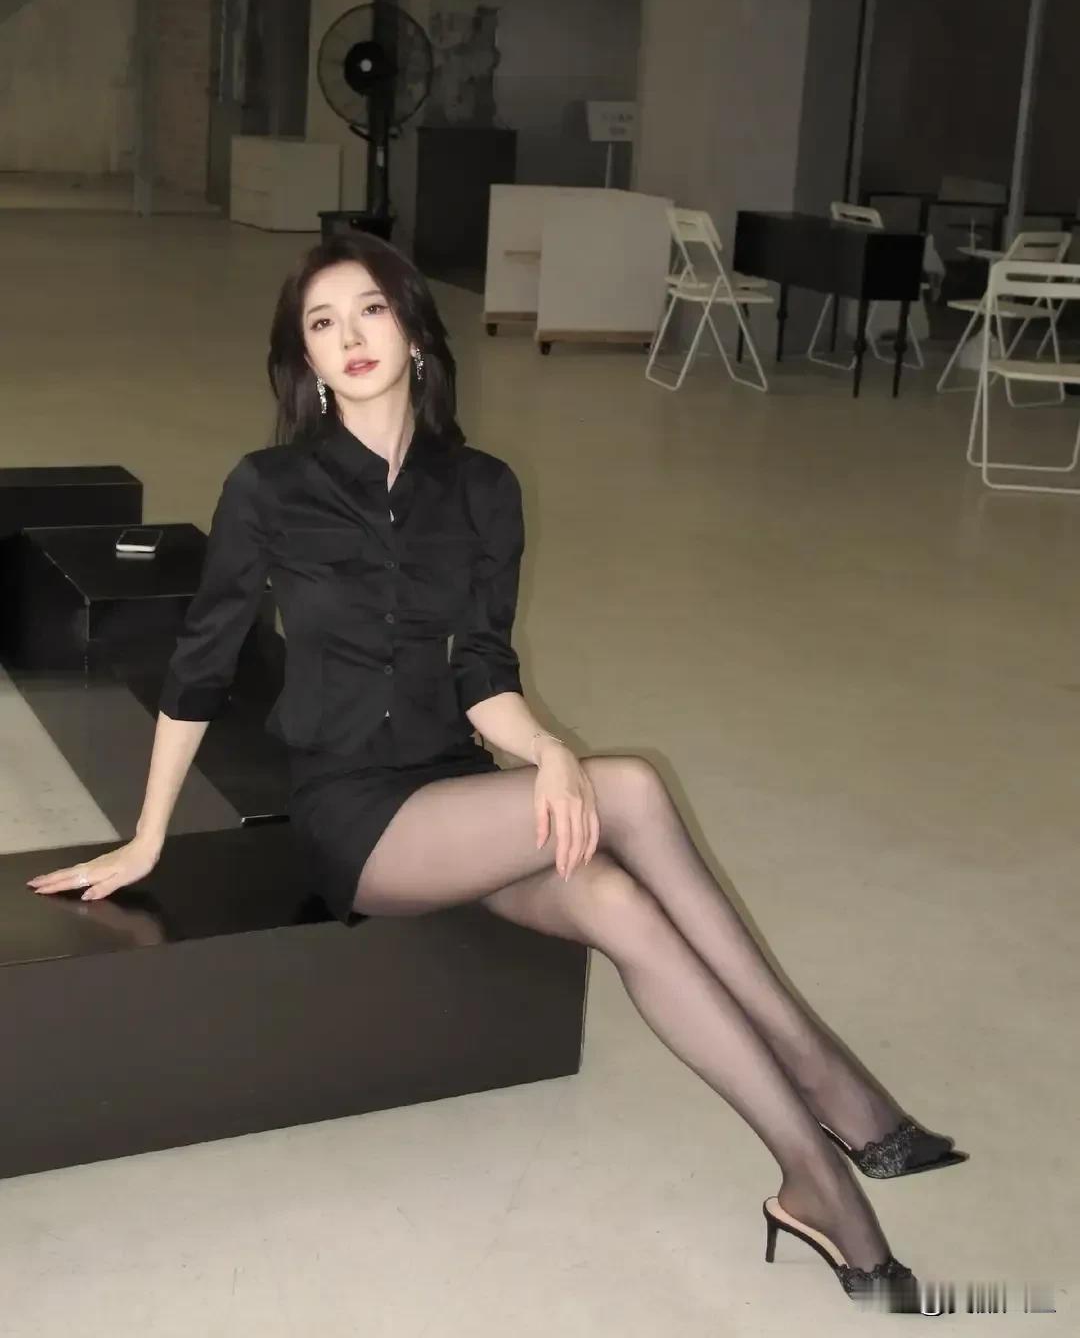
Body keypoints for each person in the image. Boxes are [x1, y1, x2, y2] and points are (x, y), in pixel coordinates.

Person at [26, 233, 965, 1312]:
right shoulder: (269, 488)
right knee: (632, 791)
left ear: (416, 334)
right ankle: (833, 1087)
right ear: (306, 361)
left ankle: (810, 1180)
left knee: (619, 904)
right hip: (353, 816)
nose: (350, 337)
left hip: (457, 788)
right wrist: (148, 836)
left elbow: (481, 672)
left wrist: (546, 749)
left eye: (370, 311)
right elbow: (201, 664)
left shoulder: (482, 489)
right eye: (323, 324)